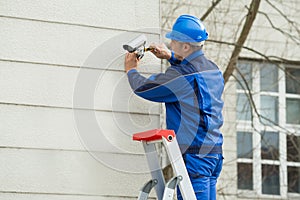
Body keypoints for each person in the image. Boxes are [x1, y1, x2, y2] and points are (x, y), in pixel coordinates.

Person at [124, 14, 224, 200]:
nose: (170, 44)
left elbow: (145, 88)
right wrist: (171, 56)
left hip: (195, 156)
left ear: (185, 46)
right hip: (213, 154)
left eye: (174, 42)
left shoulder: (182, 76)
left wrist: (131, 70)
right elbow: (191, 75)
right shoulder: (213, 70)